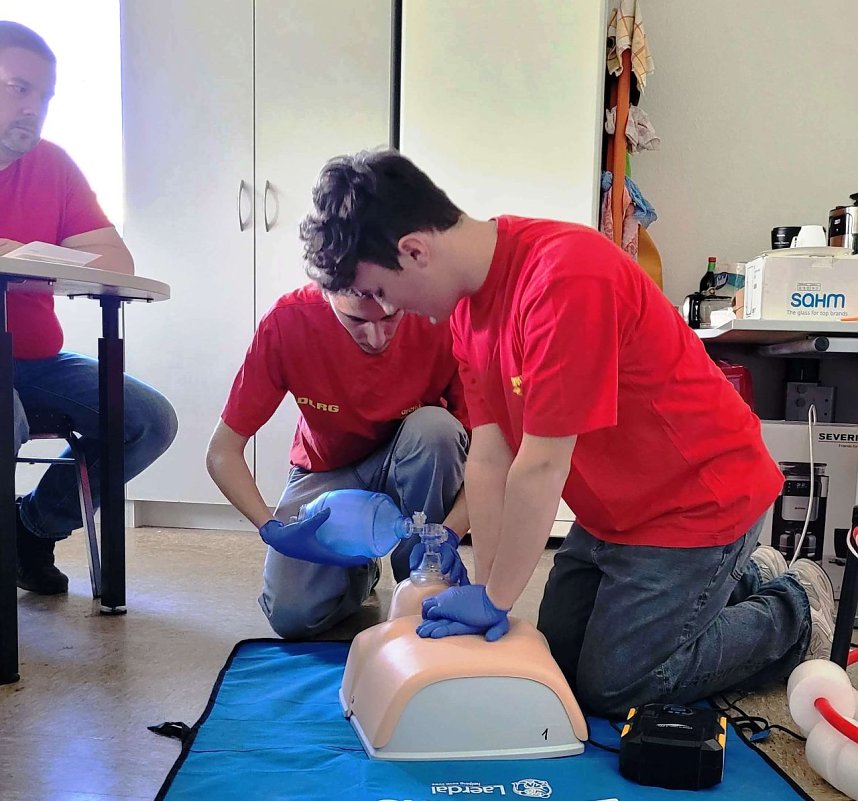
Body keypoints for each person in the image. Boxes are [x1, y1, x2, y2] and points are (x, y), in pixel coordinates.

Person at [296, 148, 836, 717]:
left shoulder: (564, 276)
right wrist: (484, 588)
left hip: (698, 503)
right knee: (558, 666)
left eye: (380, 291)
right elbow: (489, 455)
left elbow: (540, 465)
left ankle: (795, 608)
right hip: (612, 513)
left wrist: (499, 597)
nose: (386, 310)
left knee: (616, 686)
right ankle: (740, 579)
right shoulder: (465, 312)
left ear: (413, 251)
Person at [0, 21, 178, 594]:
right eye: (18, 89)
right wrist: (50, 263)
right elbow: (84, 260)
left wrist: (23, 262)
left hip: (35, 360)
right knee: (9, 419)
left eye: (45, 96)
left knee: (147, 419)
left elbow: (115, 262)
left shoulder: (52, 164)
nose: (35, 108)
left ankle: (32, 528)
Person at [206, 282, 470, 639]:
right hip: (326, 468)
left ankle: (421, 579)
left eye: (391, 317)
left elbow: (492, 452)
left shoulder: (441, 316)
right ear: (326, 292)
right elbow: (222, 451)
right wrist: (271, 529)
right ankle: (359, 570)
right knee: (290, 615)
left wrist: (450, 533)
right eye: (357, 319)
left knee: (436, 430)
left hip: (413, 456)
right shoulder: (288, 322)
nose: (376, 338)